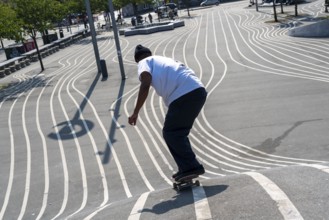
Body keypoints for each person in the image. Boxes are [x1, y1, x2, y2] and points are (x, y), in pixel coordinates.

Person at [128, 45, 207, 181]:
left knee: (172, 133)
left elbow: (145, 82)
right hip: (197, 90)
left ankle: (191, 167)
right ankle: (186, 167)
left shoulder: (143, 63)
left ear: (137, 60)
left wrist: (136, 111)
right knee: (176, 132)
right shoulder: (160, 59)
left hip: (184, 93)